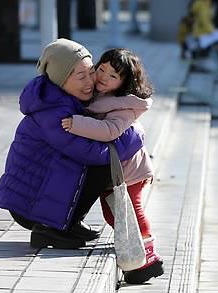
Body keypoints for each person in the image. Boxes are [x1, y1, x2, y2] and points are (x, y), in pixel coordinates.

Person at [0, 39, 144, 249]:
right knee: (104, 164)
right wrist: (132, 137)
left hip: (40, 194)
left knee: (105, 158)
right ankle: (51, 229)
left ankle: (69, 222)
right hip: (28, 206)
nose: (90, 81)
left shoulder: (66, 100)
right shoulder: (53, 112)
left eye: (92, 72)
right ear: (60, 80)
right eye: (81, 76)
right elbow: (91, 153)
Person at [61, 48, 163, 284]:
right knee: (112, 214)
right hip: (114, 171)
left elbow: (110, 131)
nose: (103, 78)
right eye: (101, 69)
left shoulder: (125, 106)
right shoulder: (98, 97)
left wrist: (77, 123)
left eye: (113, 76)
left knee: (131, 211)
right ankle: (134, 245)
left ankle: (148, 252)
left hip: (129, 173)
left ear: (125, 84)